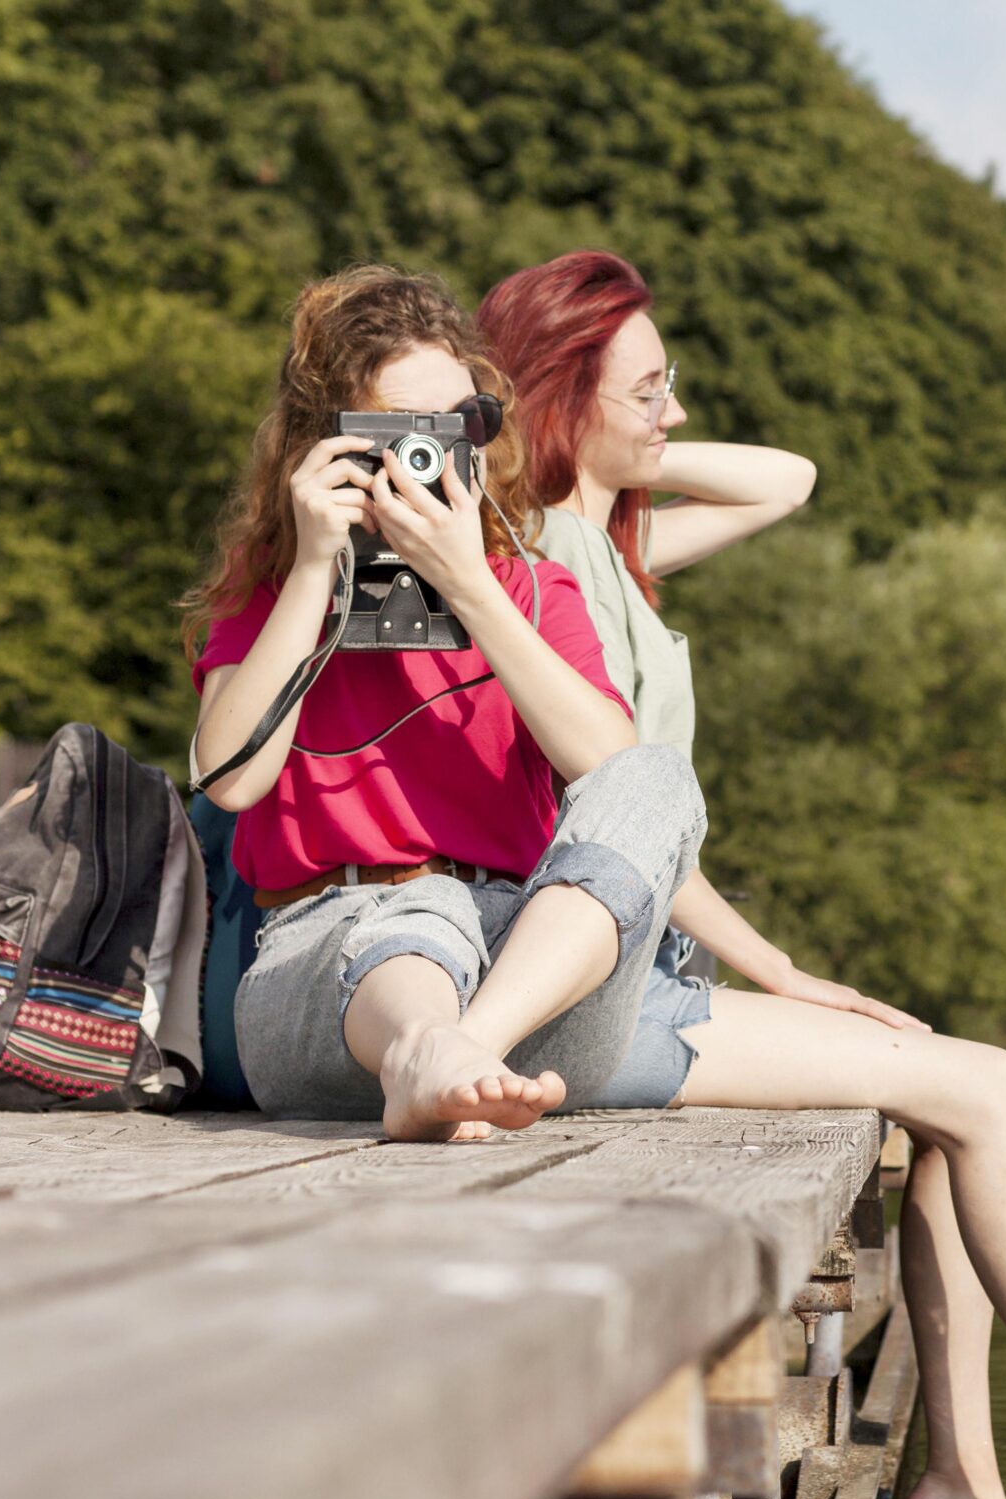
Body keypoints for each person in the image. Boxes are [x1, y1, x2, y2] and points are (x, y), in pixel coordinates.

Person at [478, 252, 1006, 1499]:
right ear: (564, 397)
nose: (679, 415)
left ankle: (966, 1477)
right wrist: (786, 966)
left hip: (651, 974)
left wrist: (611, 442)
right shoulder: (540, 574)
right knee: (986, 1083)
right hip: (608, 987)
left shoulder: (605, 552)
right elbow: (625, 823)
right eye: (652, 390)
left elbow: (788, 480)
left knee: (949, 1080)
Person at [183, 263, 705, 1142]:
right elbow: (228, 779)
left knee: (656, 776)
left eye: (459, 425)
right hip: (337, 984)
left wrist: (471, 586)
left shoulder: (531, 591)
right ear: (330, 444)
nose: (435, 457)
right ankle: (433, 1052)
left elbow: (615, 776)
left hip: (514, 992)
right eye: (401, 433)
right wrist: (316, 566)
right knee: (423, 908)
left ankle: (457, 1056)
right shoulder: (278, 595)